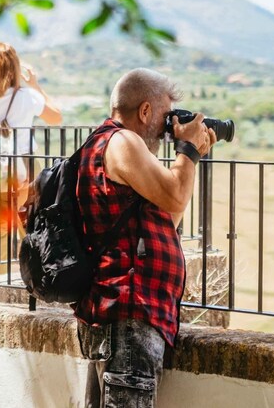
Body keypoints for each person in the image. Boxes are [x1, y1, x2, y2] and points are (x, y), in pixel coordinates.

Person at [75, 68, 216, 408]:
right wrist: (189, 152)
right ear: (144, 111)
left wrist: (187, 156)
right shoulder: (123, 142)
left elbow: (167, 216)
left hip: (117, 316)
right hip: (128, 318)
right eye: (166, 117)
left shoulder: (102, 143)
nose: (168, 127)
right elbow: (176, 196)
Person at [0, 42, 62, 276]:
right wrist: (35, 84)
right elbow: (56, 117)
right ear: (14, 67)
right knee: (30, 222)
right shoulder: (25, 97)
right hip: (21, 174)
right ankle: (36, 273)